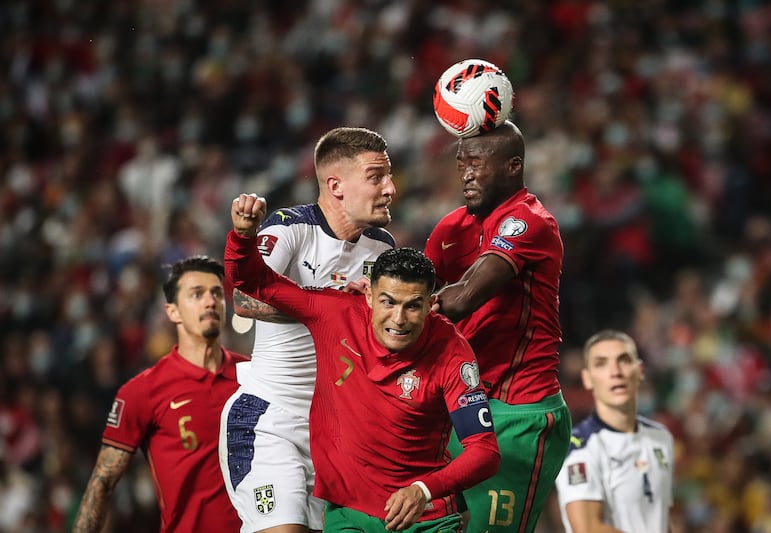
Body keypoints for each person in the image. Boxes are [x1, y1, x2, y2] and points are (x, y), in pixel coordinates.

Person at [225, 192, 501, 533]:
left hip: (422, 517)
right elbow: (254, 282)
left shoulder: (452, 353)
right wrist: (243, 236)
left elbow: (485, 451)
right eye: (387, 302)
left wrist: (424, 489)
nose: (398, 319)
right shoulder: (336, 313)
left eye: (413, 305)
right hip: (349, 516)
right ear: (368, 295)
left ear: (431, 304)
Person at [219, 127, 396, 533]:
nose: (390, 188)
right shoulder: (289, 228)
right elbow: (245, 299)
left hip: (336, 433)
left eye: (389, 175)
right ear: (336, 185)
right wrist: (333, 301)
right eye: (376, 177)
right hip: (270, 419)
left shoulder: (382, 247)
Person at [423, 120, 571, 532]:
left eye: (477, 163)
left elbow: (463, 296)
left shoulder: (530, 222)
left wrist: (399, 309)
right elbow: (410, 283)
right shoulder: (451, 227)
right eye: (461, 164)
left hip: (521, 412)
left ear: (512, 166)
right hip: (460, 404)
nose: (466, 173)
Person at [73, 256, 247, 532]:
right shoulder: (144, 391)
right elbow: (103, 481)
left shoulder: (254, 376)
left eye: (216, 293)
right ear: (173, 312)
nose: (211, 301)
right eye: (196, 294)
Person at [554, 329, 675, 533]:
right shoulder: (579, 448)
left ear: (640, 370)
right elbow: (587, 529)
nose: (615, 372)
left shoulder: (661, 438)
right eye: (601, 363)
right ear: (587, 379)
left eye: (624, 360)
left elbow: (658, 518)